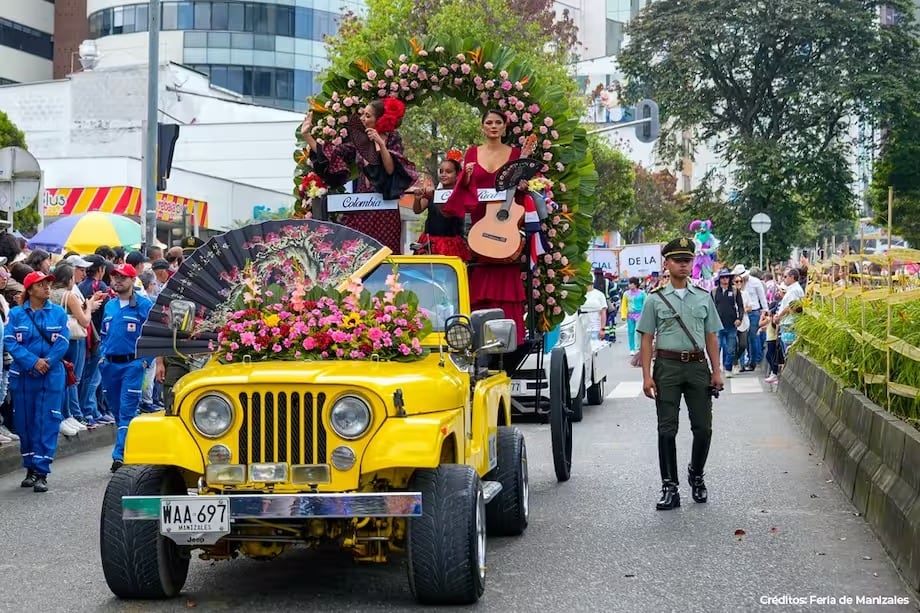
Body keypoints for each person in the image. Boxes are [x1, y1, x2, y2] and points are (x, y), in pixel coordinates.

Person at [637, 238, 723, 511]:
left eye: (688, 260)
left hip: (698, 367)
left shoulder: (703, 297)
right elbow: (647, 339)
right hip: (668, 368)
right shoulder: (654, 299)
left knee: (703, 428)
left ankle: (696, 475)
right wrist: (646, 376)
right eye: (678, 260)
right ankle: (669, 487)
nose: (684, 264)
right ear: (667, 264)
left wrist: (716, 371)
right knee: (667, 429)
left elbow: (711, 337)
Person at [442, 109, 528, 343]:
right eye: (488, 122)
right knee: (478, 279)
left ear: (504, 127)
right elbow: (465, 190)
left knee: (507, 271)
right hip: (481, 225)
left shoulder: (516, 153)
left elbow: (521, 191)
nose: (493, 126)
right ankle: (478, 337)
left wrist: (522, 186)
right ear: (482, 127)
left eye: (498, 122)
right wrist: (467, 177)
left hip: (506, 227)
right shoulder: (471, 153)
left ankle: (510, 338)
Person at [301, 98, 418, 254]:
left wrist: (381, 145)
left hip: (385, 211)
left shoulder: (392, 139)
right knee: (355, 252)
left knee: (386, 255)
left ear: (380, 119)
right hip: (360, 206)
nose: (363, 118)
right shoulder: (359, 140)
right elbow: (332, 153)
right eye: (363, 115)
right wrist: (307, 135)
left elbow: (390, 170)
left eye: (368, 116)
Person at [5, 270, 70, 492]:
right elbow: (10, 342)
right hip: (23, 376)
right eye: (41, 285)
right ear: (30, 289)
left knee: (47, 420)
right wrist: (33, 362)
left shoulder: (58, 313)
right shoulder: (16, 315)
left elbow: (62, 341)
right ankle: (30, 468)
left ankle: (42, 470)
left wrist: (47, 362)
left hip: (51, 376)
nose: (47, 288)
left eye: (48, 284)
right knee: (24, 421)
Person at [99, 263, 153, 473]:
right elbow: (104, 334)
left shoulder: (143, 305)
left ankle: (119, 455)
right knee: (117, 411)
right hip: (110, 365)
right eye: (115, 277)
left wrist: (145, 360)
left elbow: (151, 335)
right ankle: (129, 446)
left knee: (127, 409)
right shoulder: (110, 305)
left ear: (132, 280)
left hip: (133, 364)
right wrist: (103, 357)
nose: (118, 280)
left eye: (123, 277)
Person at [51, 263, 104, 432]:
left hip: (56, 339)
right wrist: (89, 307)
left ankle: (67, 414)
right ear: (69, 279)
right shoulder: (69, 296)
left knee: (63, 376)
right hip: (73, 339)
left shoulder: (50, 294)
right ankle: (73, 414)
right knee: (73, 378)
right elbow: (85, 321)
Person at [411, 154, 471, 259]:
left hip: (449, 242)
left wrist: (436, 196)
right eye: (441, 171)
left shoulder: (459, 195)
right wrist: (417, 198)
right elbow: (417, 210)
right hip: (429, 240)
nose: (443, 174)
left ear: (457, 175)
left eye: (448, 172)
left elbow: (447, 213)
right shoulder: (434, 193)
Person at [711, 269, 743, 378]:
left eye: (727, 277)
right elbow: (711, 308)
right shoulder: (714, 292)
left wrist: (739, 318)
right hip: (718, 324)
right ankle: (716, 368)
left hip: (731, 324)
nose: (725, 279)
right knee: (717, 347)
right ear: (719, 279)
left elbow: (740, 306)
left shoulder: (734, 291)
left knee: (730, 348)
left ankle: (728, 368)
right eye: (723, 277)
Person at [620, 277, 646, 356]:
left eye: (631, 283)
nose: (629, 285)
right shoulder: (626, 294)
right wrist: (623, 315)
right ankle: (632, 348)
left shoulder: (642, 293)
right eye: (629, 283)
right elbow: (624, 305)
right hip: (630, 315)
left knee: (637, 332)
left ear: (635, 284)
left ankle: (638, 347)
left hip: (639, 314)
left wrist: (645, 315)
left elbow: (646, 305)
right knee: (630, 332)